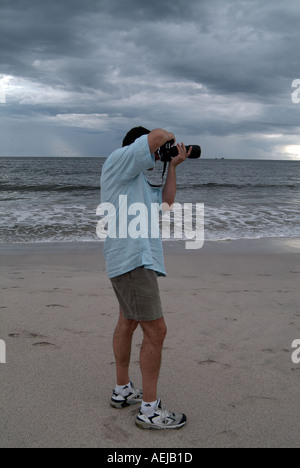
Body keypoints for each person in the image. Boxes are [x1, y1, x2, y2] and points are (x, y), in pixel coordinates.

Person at [100, 127, 192, 430]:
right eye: (155, 152)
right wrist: (165, 140)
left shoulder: (135, 179)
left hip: (133, 261)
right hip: (132, 261)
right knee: (157, 331)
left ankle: (122, 389)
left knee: (128, 321)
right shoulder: (120, 160)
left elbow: (165, 204)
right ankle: (150, 411)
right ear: (137, 148)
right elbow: (156, 136)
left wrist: (173, 166)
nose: (156, 156)